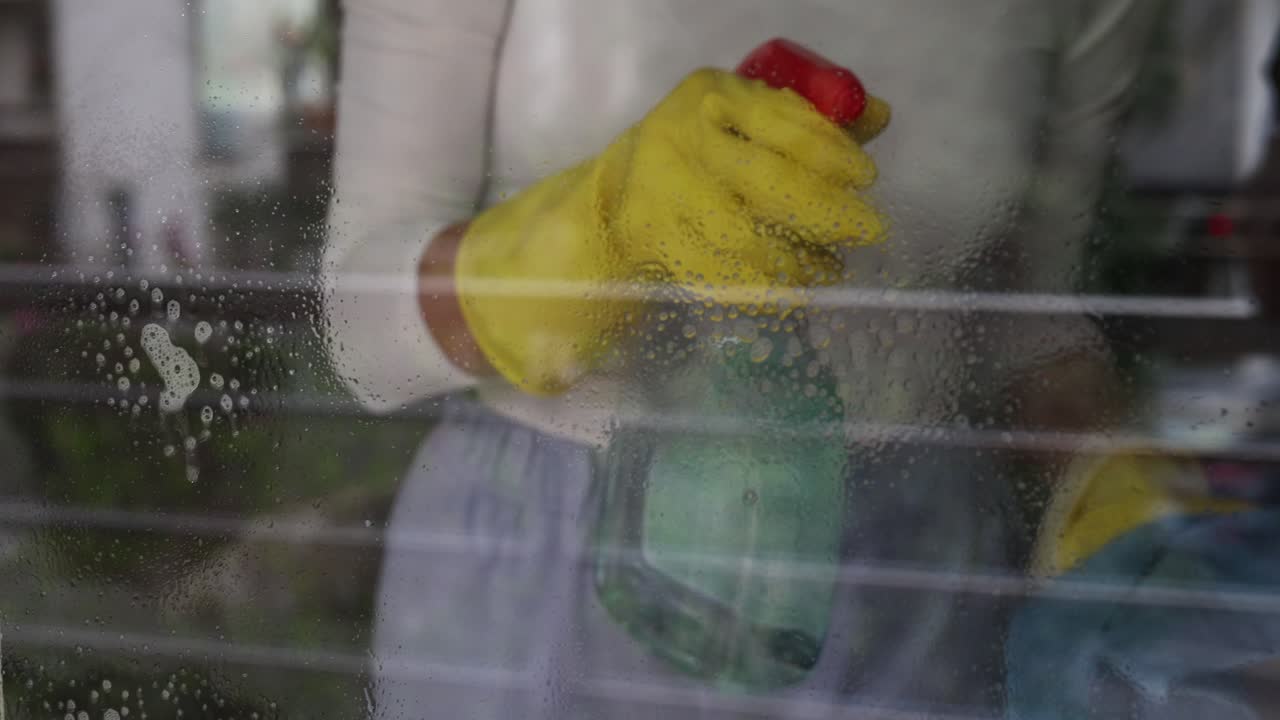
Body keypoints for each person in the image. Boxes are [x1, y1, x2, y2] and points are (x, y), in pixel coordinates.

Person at [322, 1, 1169, 717]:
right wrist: (591, 232)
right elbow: (363, 338)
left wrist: (1108, 481)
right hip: (543, 563)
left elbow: (1021, 315)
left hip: (909, 582)